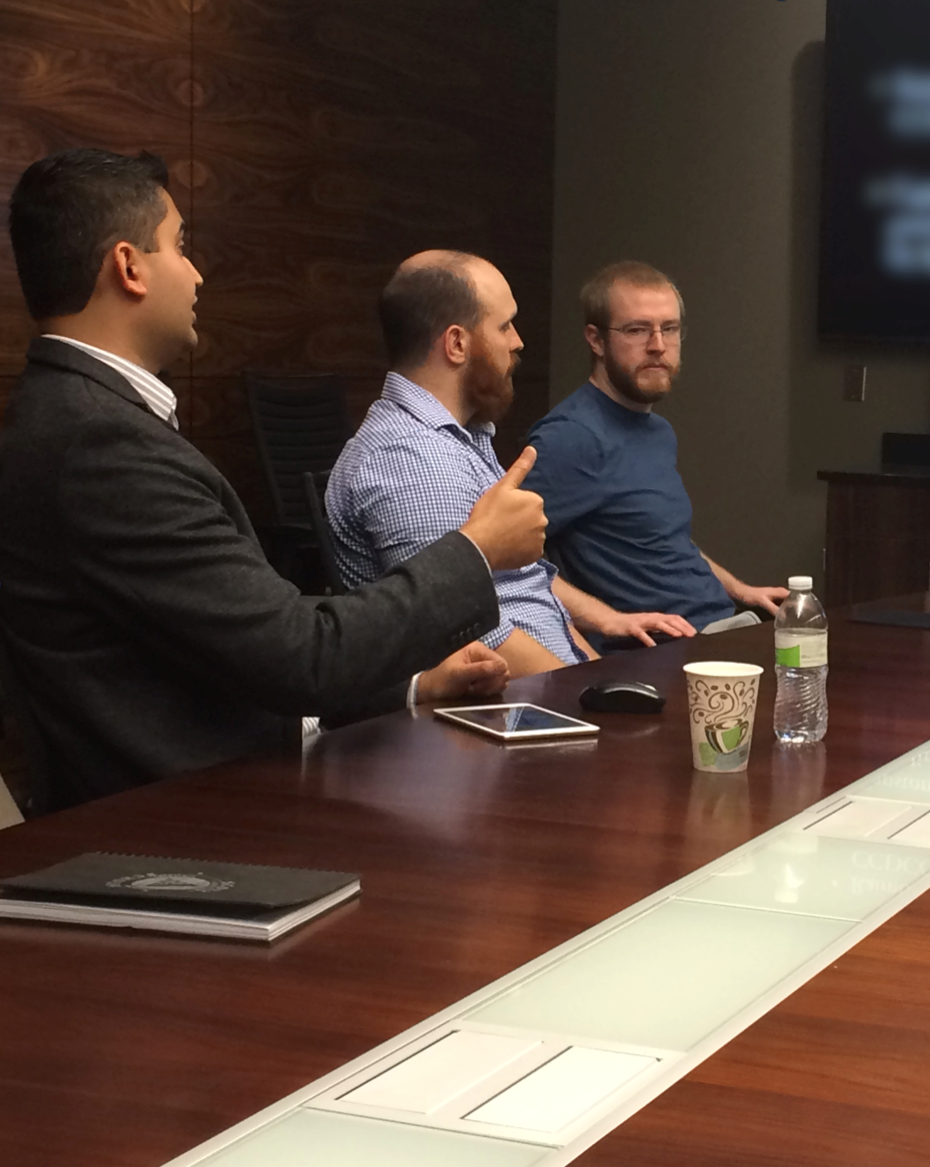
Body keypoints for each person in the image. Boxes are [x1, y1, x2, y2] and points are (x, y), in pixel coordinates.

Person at [0, 148, 547, 810]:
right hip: (183, 827)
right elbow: (301, 658)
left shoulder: (80, 418)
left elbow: (246, 633)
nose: (198, 274)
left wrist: (412, 686)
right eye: (181, 246)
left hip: (222, 786)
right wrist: (477, 549)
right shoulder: (97, 443)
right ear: (129, 267)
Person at [327, 251, 695, 677]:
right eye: (504, 325)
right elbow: (471, 628)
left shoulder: (458, 443)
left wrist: (599, 667)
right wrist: (596, 703)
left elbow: (528, 587)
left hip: (555, 694)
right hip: (506, 718)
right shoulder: (412, 460)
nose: (517, 340)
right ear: (457, 343)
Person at [524, 261, 786, 630]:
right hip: (653, 656)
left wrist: (740, 590)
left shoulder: (658, 431)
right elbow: (502, 559)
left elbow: (663, 541)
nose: (658, 346)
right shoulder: (571, 437)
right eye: (637, 330)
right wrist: (609, 620)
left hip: (718, 627)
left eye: (670, 329)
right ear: (596, 340)